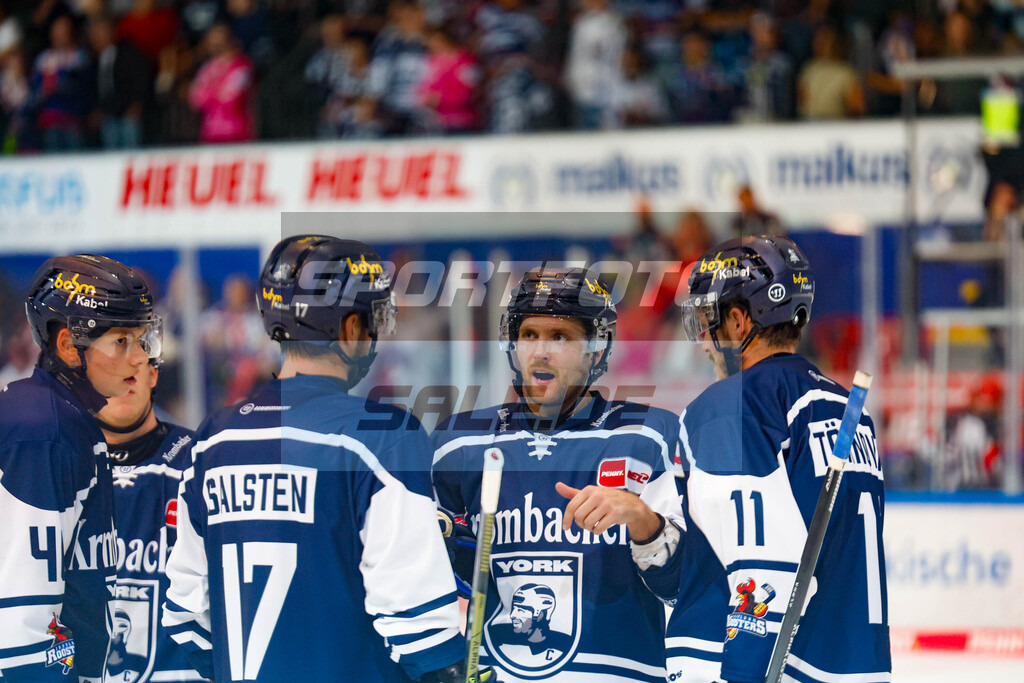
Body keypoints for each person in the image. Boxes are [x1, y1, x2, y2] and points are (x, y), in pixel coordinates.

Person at [162, 236, 470, 682]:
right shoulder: (384, 436)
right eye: (371, 320)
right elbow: (419, 628)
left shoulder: (214, 440)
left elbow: (186, 615)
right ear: (348, 330)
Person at [432, 267, 684, 682]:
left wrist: (641, 518)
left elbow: (686, 586)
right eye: (528, 335)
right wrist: (438, 540)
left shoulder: (648, 436)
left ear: (595, 350)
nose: (540, 352)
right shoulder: (458, 443)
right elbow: (432, 581)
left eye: (560, 337)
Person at [666, 236, 890, 683]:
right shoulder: (847, 409)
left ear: (736, 320)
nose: (706, 344)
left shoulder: (737, 405)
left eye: (709, 322)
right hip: (856, 666)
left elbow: (762, 573)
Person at [0, 254, 161, 680]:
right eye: (121, 341)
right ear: (70, 346)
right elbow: (20, 623)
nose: (139, 358)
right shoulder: (44, 431)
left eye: (142, 339)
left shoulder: (63, 419)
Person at [96, 359, 205, 682]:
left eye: (130, 372)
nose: (119, 381)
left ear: (153, 374)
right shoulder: (44, 474)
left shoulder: (203, 462)